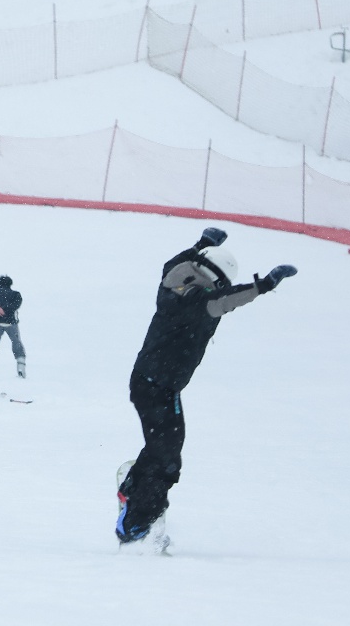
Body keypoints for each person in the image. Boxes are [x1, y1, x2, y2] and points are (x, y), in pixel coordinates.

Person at [116, 227, 297, 548]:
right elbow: (223, 302)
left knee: (165, 447)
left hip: (152, 383)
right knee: (168, 457)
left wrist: (202, 244)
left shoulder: (174, 282)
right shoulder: (198, 301)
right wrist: (264, 286)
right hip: (159, 387)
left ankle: (134, 489)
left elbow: (175, 263)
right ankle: (135, 525)